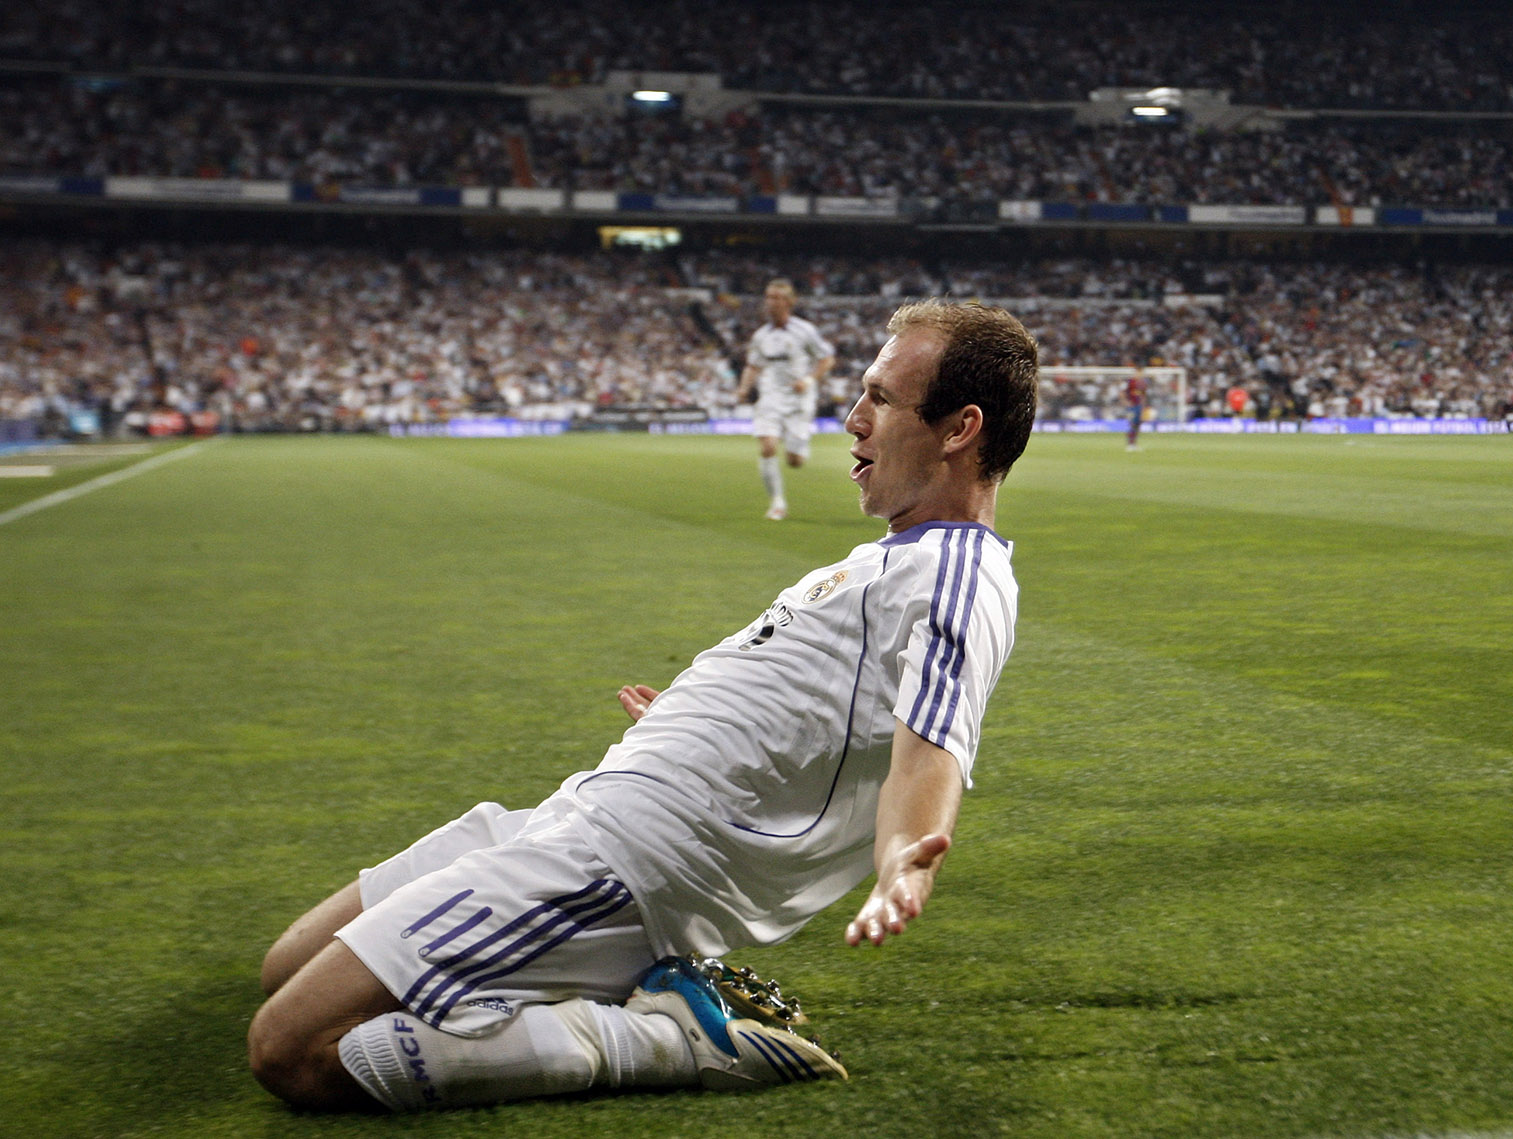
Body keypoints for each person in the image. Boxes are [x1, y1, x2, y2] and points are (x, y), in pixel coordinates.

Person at [247, 299, 1039, 1113]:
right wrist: (699, 723)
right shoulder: (895, 557)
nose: (852, 418)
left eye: (881, 398)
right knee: (286, 966)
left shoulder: (957, 574)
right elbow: (821, 712)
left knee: (294, 1047)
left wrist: (905, 857)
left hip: (626, 859)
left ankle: (666, 1037)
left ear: (959, 429)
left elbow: (926, 750)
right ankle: (586, 981)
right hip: (593, 806)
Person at [736, 278, 835, 520]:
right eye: (769, 297)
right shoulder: (761, 336)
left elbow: (826, 359)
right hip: (770, 396)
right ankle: (777, 503)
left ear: (789, 302)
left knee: (795, 461)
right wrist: (743, 388)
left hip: (799, 398)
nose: (772, 302)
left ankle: (800, 446)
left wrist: (808, 380)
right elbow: (753, 365)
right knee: (767, 446)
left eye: (777, 298)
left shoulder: (805, 330)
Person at [1124, 361, 1148, 451]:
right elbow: (1123, 392)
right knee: (1132, 424)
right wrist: (1127, 402)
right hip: (1132, 406)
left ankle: (1134, 444)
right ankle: (1130, 444)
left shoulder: (1143, 382)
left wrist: (1143, 405)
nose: (1140, 374)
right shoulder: (1130, 381)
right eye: (1139, 372)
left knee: (1138, 425)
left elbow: (1144, 395)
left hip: (1139, 406)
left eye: (1141, 372)